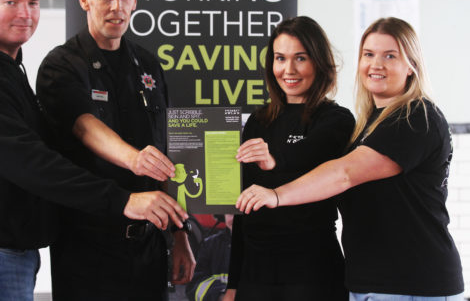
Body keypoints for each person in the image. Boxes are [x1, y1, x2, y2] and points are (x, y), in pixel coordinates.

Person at [0, 0, 188, 301]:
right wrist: (131, 169)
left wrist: (180, 234)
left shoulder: (5, 70)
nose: (25, 13)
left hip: (139, 243)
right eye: (11, 2)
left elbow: (167, 150)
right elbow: (52, 152)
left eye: (33, 3)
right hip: (25, 250)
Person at [236, 17, 464, 300]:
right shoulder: (370, 125)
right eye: (368, 54)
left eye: (390, 55)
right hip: (370, 281)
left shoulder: (417, 117)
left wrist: (275, 194)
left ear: (412, 65)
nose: (376, 64)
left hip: (410, 283)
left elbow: (344, 174)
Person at [36, 0, 195, 301]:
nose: (116, 7)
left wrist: (180, 235)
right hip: (87, 249)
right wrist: (135, 159)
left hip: (150, 247)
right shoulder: (61, 64)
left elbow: (166, 153)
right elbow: (84, 127)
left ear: (135, 0)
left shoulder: (148, 64)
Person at [223, 16, 354, 301]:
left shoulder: (337, 120)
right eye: (280, 58)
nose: (288, 69)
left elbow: (314, 153)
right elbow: (244, 211)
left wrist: (275, 158)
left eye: (300, 58)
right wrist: (234, 284)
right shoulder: (258, 121)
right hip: (256, 275)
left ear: (318, 62)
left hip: (312, 271)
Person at [186, 215, 233, 301]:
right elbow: (193, 284)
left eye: (241, 213)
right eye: (230, 212)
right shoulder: (209, 245)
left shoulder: (263, 247)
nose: (235, 219)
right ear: (223, 215)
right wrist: (221, 295)